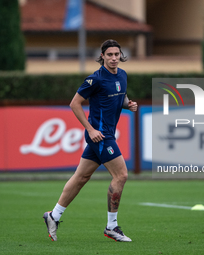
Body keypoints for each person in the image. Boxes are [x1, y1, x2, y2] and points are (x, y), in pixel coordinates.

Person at [43, 39, 138, 242]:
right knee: (121, 175)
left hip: (105, 135)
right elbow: (74, 103)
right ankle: (111, 226)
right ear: (102, 56)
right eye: (109, 54)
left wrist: (127, 104)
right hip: (101, 135)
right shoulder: (95, 79)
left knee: (81, 178)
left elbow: (119, 96)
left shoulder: (122, 75)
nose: (114, 58)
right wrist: (90, 129)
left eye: (117, 54)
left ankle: (53, 215)